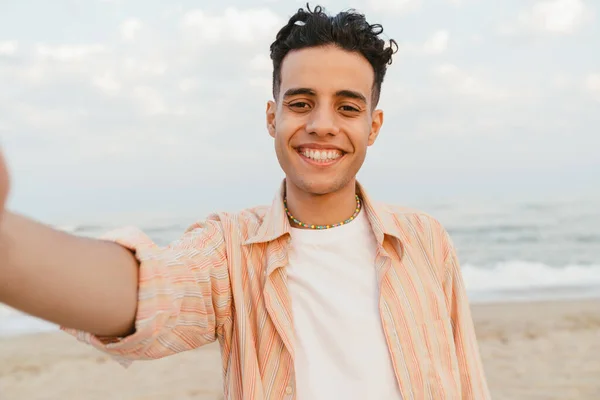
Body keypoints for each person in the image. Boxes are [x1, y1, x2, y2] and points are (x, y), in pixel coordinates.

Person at [0, 5, 491, 400]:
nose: (322, 123)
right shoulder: (230, 248)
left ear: (373, 126)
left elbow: (467, 380)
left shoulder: (424, 239)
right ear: (272, 117)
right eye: (301, 103)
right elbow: (146, 294)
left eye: (347, 106)